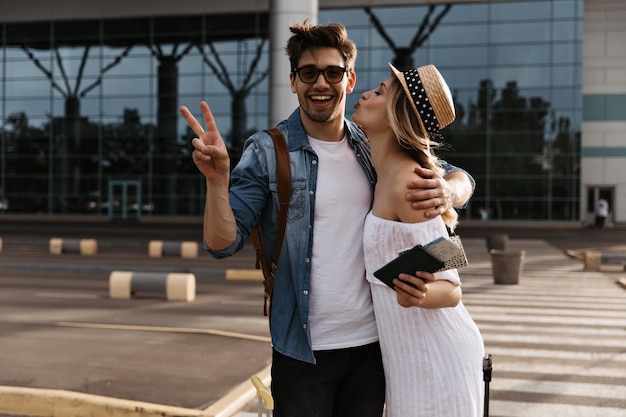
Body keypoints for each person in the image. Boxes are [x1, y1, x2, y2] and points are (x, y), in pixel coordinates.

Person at [180, 22, 474, 417]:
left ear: (349, 79)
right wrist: (217, 182)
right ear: (293, 81)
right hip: (304, 352)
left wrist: (449, 191)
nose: (321, 83)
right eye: (308, 73)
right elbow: (221, 244)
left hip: (373, 348)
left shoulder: (373, 148)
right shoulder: (269, 151)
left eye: (333, 72)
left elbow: (456, 182)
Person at [352, 63, 485, 417]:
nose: (365, 94)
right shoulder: (382, 169)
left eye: (380, 93)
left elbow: (452, 286)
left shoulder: (411, 184)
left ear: (398, 116)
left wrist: (422, 294)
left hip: (435, 356)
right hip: (407, 354)